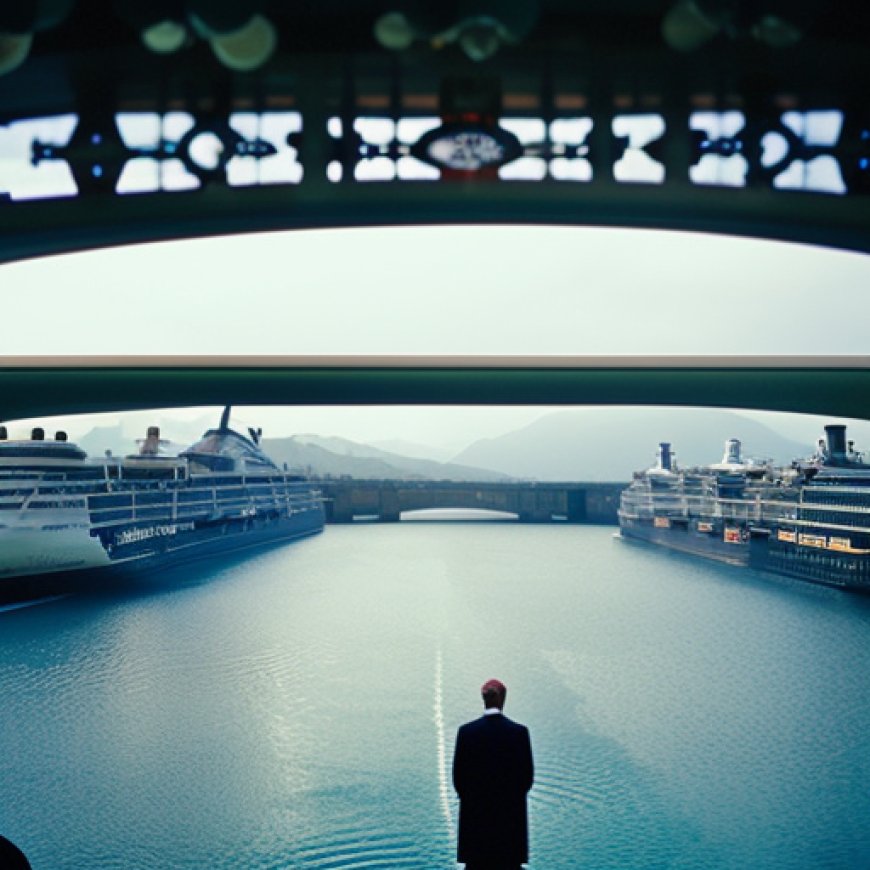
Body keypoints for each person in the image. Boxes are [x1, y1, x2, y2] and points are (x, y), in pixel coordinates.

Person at [452, 678, 534, 870]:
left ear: (483, 699)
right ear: (503, 699)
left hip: (476, 825)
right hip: (509, 826)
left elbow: (459, 779)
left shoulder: (466, 732)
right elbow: (526, 779)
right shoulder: (519, 733)